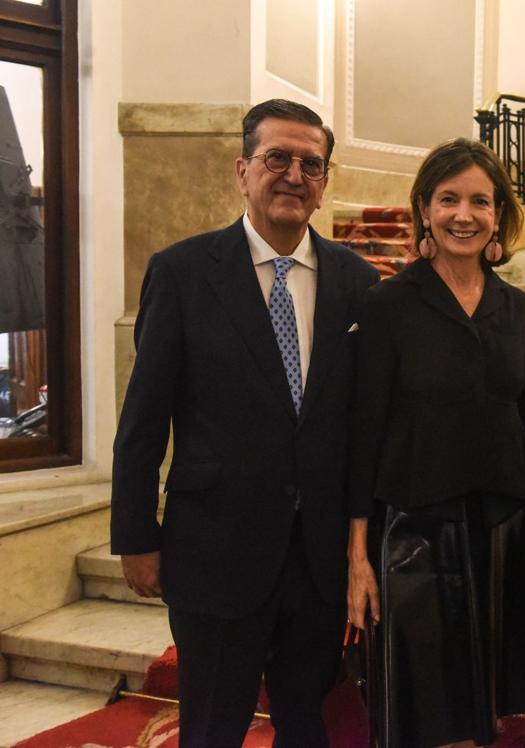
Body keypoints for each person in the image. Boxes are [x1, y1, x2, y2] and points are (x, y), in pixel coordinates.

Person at [111, 99, 379, 747]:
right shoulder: (181, 273)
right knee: (211, 727)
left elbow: (364, 425)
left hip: (317, 562)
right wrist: (135, 536)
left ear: (325, 182)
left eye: (310, 164)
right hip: (214, 552)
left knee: (307, 722)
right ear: (242, 170)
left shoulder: (358, 282)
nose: (293, 175)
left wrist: (360, 548)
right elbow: (144, 416)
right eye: (276, 159)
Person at [346, 138, 525, 748]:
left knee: (482, 707)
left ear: (498, 215)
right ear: (425, 211)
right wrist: (357, 556)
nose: (465, 214)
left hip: (501, 527)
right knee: (425, 713)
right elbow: (363, 435)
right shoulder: (387, 305)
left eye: (480, 201)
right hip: (416, 532)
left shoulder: (517, 307)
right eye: (449, 199)